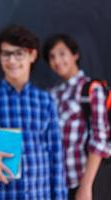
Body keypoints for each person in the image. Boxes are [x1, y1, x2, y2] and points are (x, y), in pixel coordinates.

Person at [0, 25, 67, 199]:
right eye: (6, 54)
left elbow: (56, 157)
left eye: (19, 53)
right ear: (0, 58)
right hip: (1, 195)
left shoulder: (45, 101)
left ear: (32, 55)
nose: (12, 60)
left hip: (40, 195)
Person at [43, 33, 111, 200]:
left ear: (75, 54)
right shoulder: (52, 93)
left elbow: (100, 139)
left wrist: (86, 186)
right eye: (52, 57)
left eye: (62, 53)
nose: (57, 61)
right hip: (57, 183)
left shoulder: (91, 89)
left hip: (84, 182)